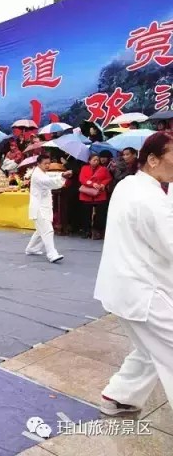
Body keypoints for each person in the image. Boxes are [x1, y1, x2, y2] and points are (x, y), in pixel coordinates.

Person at [94, 131, 173, 416]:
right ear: (152, 159)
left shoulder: (128, 185)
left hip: (121, 289)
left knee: (149, 349)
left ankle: (119, 397)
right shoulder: (150, 199)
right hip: (145, 292)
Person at [25, 154, 72, 263]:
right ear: (38, 164)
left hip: (43, 206)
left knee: (40, 230)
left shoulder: (42, 172)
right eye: (45, 164)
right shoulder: (38, 175)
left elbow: (51, 175)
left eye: (48, 163)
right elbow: (49, 181)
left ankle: (31, 248)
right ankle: (52, 254)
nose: (47, 166)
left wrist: (61, 174)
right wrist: (63, 176)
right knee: (47, 230)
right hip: (39, 207)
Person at [78, 154, 113, 240]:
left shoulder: (103, 169)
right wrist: (92, 184)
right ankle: (86, 230)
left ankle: (97, 231)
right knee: (86, 214)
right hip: (87, 193)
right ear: (89, 161)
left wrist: (102, 184)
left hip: (99, 194)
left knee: (100, 214)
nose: (96, 161)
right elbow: (82, 179)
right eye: (94, 160)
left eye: (97, 160)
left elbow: (108, 178)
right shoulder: (84, 168)